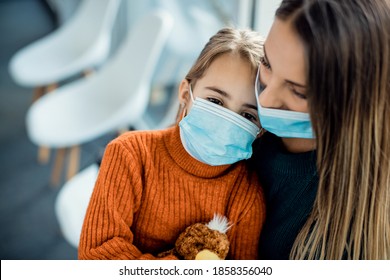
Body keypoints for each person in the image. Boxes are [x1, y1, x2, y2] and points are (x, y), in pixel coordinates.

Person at [78, 27, 266, 260]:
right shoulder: (129, 153)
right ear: (186, 94)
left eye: (247, 116)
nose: (228, 121)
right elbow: (96, 253)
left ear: (259, 130)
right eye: (216, 101)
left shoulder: (246, 196)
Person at [250, 0, 390, 259]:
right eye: (267, 63)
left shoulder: (353, 227)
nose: (266, 100)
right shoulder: (240, 124)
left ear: (355, 101)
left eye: (298, 91)